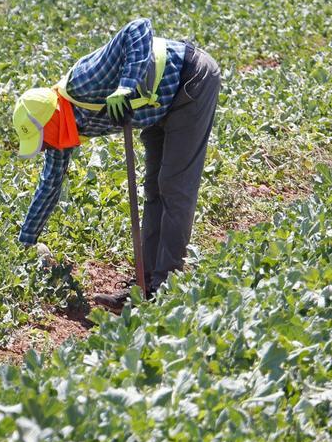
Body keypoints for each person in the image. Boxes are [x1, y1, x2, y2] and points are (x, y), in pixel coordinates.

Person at [12, 19, 221, 310]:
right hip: (157, 107)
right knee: (153, 189)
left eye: (42, 140)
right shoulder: (62, 134)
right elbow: (49, 185)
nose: (44, 147)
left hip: (190, 81)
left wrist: (126, 86)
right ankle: (144, 285)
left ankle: (165, 289)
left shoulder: (84, 81)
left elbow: (138, 29)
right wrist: (27, 241)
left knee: (174, 187)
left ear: (50, 121)